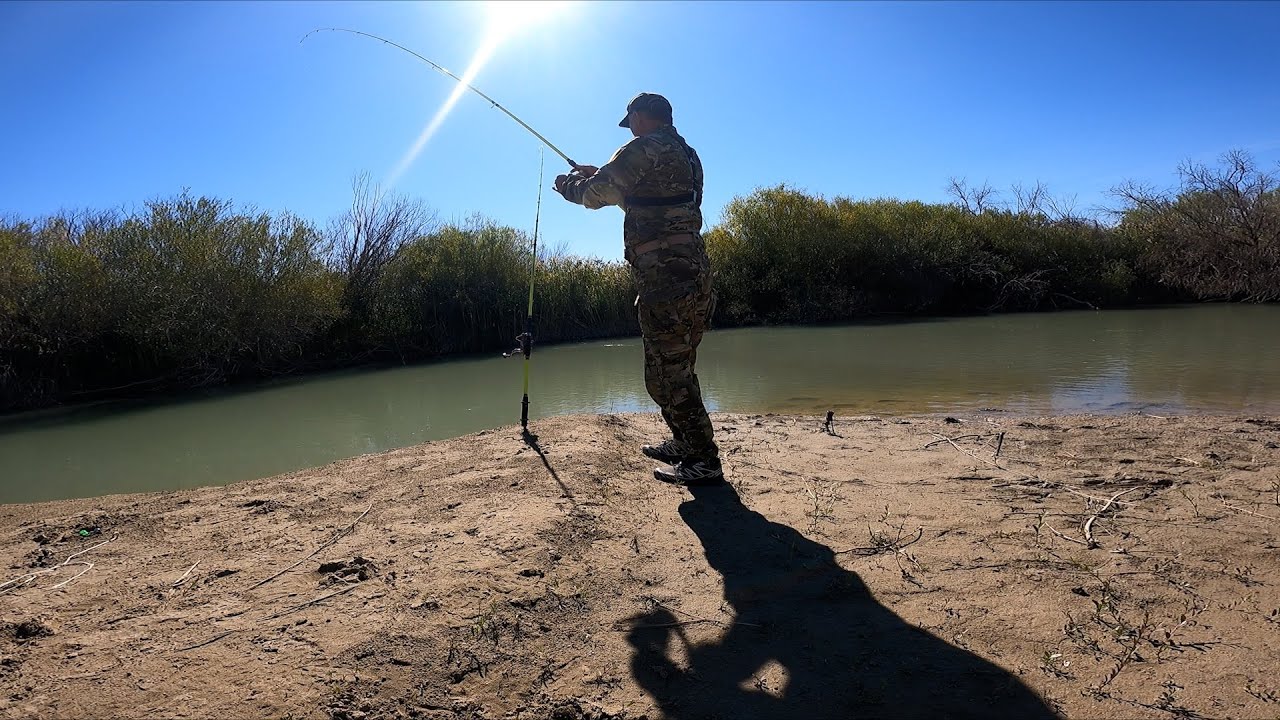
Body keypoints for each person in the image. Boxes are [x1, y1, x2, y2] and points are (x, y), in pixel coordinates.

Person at [554, 92, 722, 485]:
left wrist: (571, 186)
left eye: (630, 120)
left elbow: (597, 194)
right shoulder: (687, 154)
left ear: (640, 117)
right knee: (674, 367)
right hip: (691, 272)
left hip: (667, 278)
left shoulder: (644, 146)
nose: (629, 128)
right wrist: (604, 177)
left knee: (668, 372)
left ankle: (703, 460)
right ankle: (684, 442)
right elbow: (653, 201)